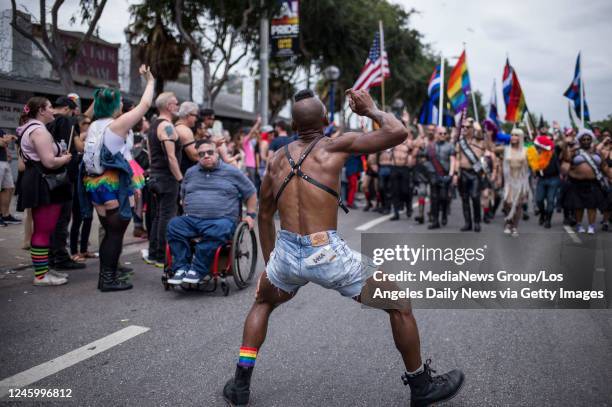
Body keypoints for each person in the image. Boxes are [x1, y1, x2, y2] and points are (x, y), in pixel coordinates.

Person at [222, 89, 464, 407]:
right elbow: (398, 132)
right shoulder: (334, 145)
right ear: (325, 120)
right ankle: (421, 386)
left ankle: (240, 384)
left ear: (294, 125)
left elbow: (265, 216)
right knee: (400, 304)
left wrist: (272, 267)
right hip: (326, 252)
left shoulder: (276, 160)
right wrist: (373, 110)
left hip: (286, 251)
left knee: (262, 303)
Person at [81, 65, 155, 291]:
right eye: (120, 101)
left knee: (110, 234)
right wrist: (150, 81)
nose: (123, 104)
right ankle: (107, 279)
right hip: (114, 185)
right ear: (114, 105)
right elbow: (145, 105)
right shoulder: (117, 125)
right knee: (114, 235)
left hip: (96, 184)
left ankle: (108, 276)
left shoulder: (94, 125)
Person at [166, 139, 257, 284]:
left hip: (221, 221)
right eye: (201, 154)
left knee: (218, 229)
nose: (206, 156)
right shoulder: (190, 173)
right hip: (193, 219)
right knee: (174, 225)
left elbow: (251, 192)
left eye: (210, 152)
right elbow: (183, 195)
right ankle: (181, 268)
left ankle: (198, 269)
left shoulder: (232, 172)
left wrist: (251, 215)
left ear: (217, 153)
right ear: (198, 156)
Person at [16, 97, 72, 286]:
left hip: (38, 181)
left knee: (44, 229)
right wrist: (65, 159)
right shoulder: (39, 131)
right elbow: (48, 162)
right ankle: (40, 275)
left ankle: (44, 269)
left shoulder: (30, 128)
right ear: (40, 110)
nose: (53, 111)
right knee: (43, 229)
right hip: (43, 182)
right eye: (49, 108)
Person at [46, 96, 86, 270]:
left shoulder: (45, 123)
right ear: (68, 109)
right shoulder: (65, 121)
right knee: (62, 218)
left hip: (48, 177)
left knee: (49, 219)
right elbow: (75, 148)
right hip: (63, 176)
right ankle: (60, 257)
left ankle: (50, 256)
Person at [145, 91, 183, 267]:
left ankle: (154, 254)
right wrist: (181, 180)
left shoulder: (153, 125)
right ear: (168, 106)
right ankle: (162, 256)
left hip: (155, 176)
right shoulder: (167, 126)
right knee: (166, 216)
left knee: (158, 216)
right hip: (166, 178)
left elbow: (152, 155)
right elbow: (171, 157)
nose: (178, 106)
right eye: (176, 103)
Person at [562, 129, 608, 234]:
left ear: (591, 140)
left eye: (588, 139)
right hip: (577, 183)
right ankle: (579, 225)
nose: (586, 141)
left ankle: (591, 226)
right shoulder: (575, 151)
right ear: (580, 140)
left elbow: (604, 166)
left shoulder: (597, 152)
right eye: (584, 139)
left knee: (592, 206)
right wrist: (567, 146)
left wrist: (610, 177)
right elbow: (566, 160)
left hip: (593, 183)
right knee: (579, 206)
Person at [69, 115, 95, 260]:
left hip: (89, 182)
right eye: (85, 122)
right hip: (77, 184)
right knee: (78, 217)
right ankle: (73, 251)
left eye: (90, 122)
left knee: (89, 217)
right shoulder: (75, 138)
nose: (88, 124)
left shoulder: (90, 136)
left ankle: (84, 249)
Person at [455, 117, 487, 232]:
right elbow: (457, 159)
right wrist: (455, 174)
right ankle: (467, 223)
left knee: (475, 197)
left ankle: (477, 222)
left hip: (474, 173)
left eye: (467, 127)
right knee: (464, 199)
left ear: (472, 128)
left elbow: (483, 138)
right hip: (463, 173)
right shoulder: (460, 142)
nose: (464, 129)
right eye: (463, 127)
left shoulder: (479, 140)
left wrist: (478, 128)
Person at [501, 128, 531, 237]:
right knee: (507, 203)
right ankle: (508, 223)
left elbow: (532, 164)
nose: (513, 137)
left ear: (521, 137)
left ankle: (514, 227)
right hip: (509, 180)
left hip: (521, 180)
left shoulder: (526, 150)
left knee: (518, 205)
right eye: (512, 135)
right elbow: (491, 148)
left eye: (516, 135)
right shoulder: (506, 149)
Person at [426, 126, 456, 229]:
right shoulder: (430, 146)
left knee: (444, 198)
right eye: (440, 133)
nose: (443, 135)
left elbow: (452, 160)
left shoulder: (450, 146)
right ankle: (435, 221)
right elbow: (426, 159)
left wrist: (451, 174)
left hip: (445, 175)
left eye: (444, 133)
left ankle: (444, 214)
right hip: (433, 175)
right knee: (434, 198)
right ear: (436, 134)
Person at [389, 127, 416, 221]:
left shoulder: (409, 142)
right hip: (395, 168)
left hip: (405, 169)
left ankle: (409, 207)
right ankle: (396, 213)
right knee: (395, 191)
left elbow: (413, 148)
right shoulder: (395, 141)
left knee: (405, 190)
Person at [0, 129, 20, 226]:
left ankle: (5, 215)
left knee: (9, 188)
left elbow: (5, 142)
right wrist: (8, 138)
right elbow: (2, 143)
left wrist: (7, 139)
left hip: (4, 160)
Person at [177, 102, 200, 176]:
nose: (196, 119)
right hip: (184, 173)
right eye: (195, 116)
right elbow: (194, 156)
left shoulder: (177, 126)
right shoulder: (185, 130)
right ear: (188, 115)